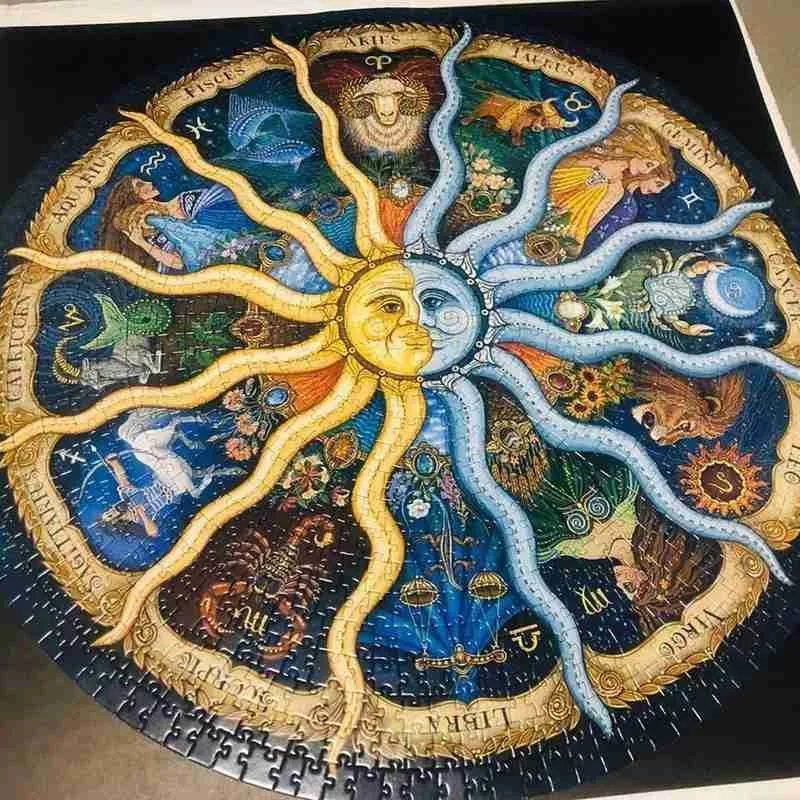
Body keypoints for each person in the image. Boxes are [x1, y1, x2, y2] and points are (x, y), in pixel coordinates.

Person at [549, 121, 676, 251]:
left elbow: (587, 220)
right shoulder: (595, 164)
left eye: (650, 168)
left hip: (562, 230)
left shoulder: (617, 188)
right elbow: (560, 182)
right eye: (648, 165)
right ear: (637, 153)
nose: (645, 171)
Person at [97, 176, 259, 272]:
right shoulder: (154, 233)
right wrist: (141, 243)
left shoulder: (186, 199)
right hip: (224, 263)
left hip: (245, 237)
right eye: (140, 185)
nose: (149, 182)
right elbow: (178, 263)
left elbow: (229, 206)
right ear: (134, 198)